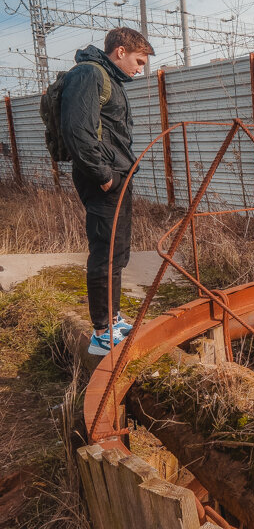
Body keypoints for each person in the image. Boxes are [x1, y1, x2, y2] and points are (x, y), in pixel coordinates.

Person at [60, 27, 154, 356]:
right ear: (120, 51)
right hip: (103, 178)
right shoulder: (89, 75)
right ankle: (101, 333)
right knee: (104, 252)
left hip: (118, 175)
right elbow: (77, 130)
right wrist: (102, 175)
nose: (141, 69)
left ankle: (113, 320)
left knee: (117, 253)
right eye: (139, 61)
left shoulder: (110, 80)